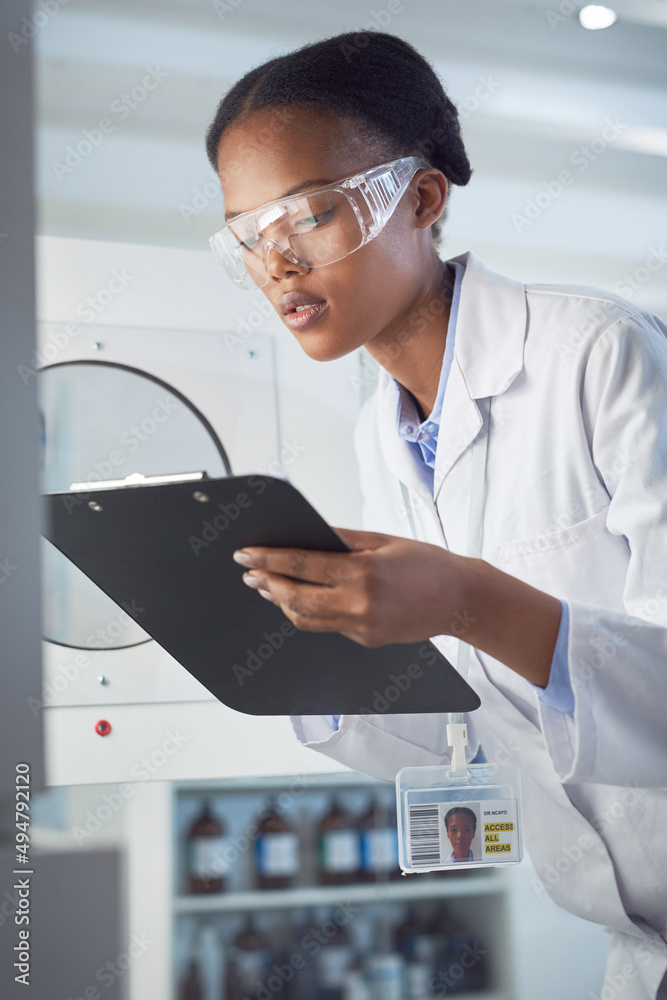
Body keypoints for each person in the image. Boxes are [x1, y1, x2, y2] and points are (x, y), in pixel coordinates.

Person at [204, 30, 667, 999]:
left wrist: (465, 596)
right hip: (636, 949)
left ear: (421, 198)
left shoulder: (602, 354)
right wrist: (297, 653)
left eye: (311, 214)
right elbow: (474, 729)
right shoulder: (387, 432)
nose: (277, 262)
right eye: (248, 234)